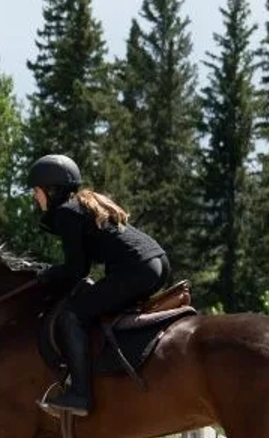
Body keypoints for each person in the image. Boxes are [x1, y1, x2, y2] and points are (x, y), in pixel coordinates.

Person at [27, 153, 173, 416]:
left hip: (137, 270)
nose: (35, 198)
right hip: (158, 263)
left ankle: (80, 394)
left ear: (51, 190)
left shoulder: (66, 213)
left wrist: (46, 274)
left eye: (36, 192)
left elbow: (76, 269)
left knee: (72, 315)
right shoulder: (81, 205)